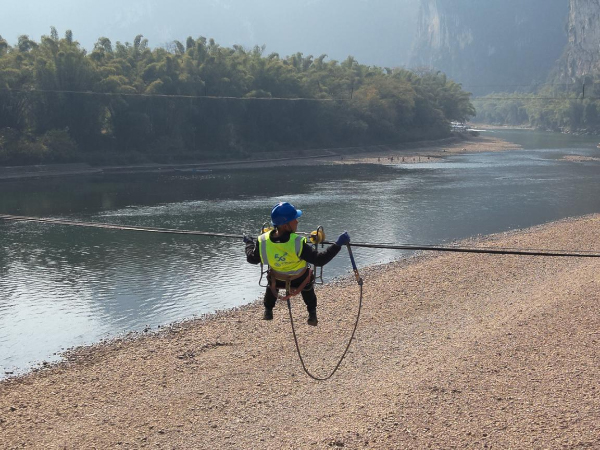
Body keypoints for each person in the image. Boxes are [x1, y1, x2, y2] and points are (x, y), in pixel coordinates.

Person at [244, 202, 350, 326]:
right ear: (285, 225)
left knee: (271, 281)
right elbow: (320, 260)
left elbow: (252, 259)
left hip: (277, 280)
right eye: (294, 219)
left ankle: (268, 310)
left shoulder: (262, 241)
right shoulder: (298, 242)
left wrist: (249, 243)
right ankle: (312, 312)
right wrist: (337, 244)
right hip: (299, 280)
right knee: (307, 281)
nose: (297, 222)